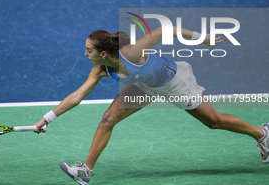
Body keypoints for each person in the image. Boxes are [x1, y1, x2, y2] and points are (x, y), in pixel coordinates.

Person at [34, 26, 269, 185]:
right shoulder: (100, 69)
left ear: (103, 52)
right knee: (108, 118)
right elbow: (77, 95)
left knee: (214, 122)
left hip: (175, 83)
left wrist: (201, 38)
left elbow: (165, 30)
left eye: (89, 50)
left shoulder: (132, 53)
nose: (84, 53)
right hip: (146, 85)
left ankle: (262, 134)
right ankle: (85, 171)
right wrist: (47, 118)